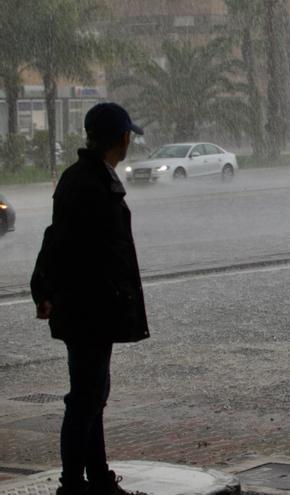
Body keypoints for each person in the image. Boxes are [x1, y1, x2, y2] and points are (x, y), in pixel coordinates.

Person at [31, 102, 150, 495]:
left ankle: (96, 477)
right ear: (121, 138)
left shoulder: (87, 178)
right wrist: (50, 289)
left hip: (88, 306)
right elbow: (69, 245)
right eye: (127, 134)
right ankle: (73, 483)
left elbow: (59, 240)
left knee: (92, 395)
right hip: (89, 308)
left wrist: (46, 289)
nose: (129, 140)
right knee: (85, 398)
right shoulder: (90, 183)